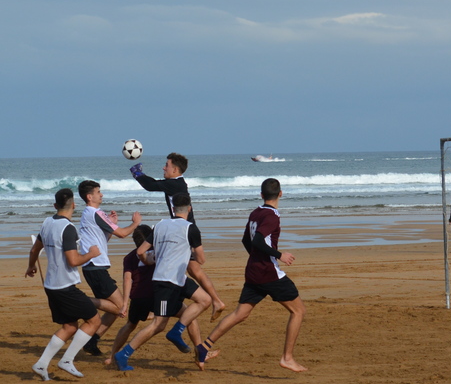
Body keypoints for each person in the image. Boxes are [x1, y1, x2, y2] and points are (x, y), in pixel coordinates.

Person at [198, 179, 307, 372]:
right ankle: (287, 358)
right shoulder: (272, 216)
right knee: (298, 311)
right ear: (280, 194)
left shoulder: (256, 212)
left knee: (240, 314)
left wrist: (256, 258)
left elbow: (245, 240)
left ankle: (204, 347)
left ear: (262, 195)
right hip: (269, 273)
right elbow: (256, 240)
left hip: (254, 271)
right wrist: (279, 255)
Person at [112, 193, 212, 371]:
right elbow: (201, 259)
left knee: (205, 300)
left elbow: (140, 251)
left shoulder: (160, 225)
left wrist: (149, 260)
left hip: (178, 278)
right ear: (189, 209)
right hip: (166, 280)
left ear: (173, 209)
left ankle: (178, 331)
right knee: (158, 324)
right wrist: (185, 252)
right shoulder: (191, 228)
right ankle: (124, 354)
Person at [130, 152, 225, 320]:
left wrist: (137, 174)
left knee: (185, 267)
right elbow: (154, 184)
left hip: (183, 231)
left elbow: (150, 185)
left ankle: (157, 302)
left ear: (175, 170)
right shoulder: (176, 183)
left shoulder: (174, 184)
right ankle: (216, 301)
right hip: (184, 229)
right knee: (194, 269)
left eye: (166, 165)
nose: (163, 168)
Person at [25, 188, 104, 380]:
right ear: (74, 205)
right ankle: (67, 360)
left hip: (51, 286)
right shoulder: (68, 228)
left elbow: (34, 250)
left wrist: (31, 266)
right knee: (94, 321)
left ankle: (41, 364)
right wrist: (91, 254)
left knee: (69, 326)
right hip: (64, 287)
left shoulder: (47, 222)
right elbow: (73, 261)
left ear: (55, 205)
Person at [76, 180, 141, 356]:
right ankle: (79, 301)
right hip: (95, 268)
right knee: (120, 308)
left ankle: (92, 341)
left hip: (94, 267)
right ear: (89, 197)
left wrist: (109, 226)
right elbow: (122, 234)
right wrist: (135, 223)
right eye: (98, 192)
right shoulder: (96, 213)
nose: (101, 194)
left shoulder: (89, 214)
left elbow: (101, 240)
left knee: (113, 310)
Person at [103, 224, 155, 365]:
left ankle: (112, 356)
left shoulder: (130, 257)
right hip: (155, 294)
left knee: (130, 325)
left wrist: (125, 304)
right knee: (186, 314)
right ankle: (200, 350)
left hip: (138, 296)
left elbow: (127, 280)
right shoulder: (158, 251)